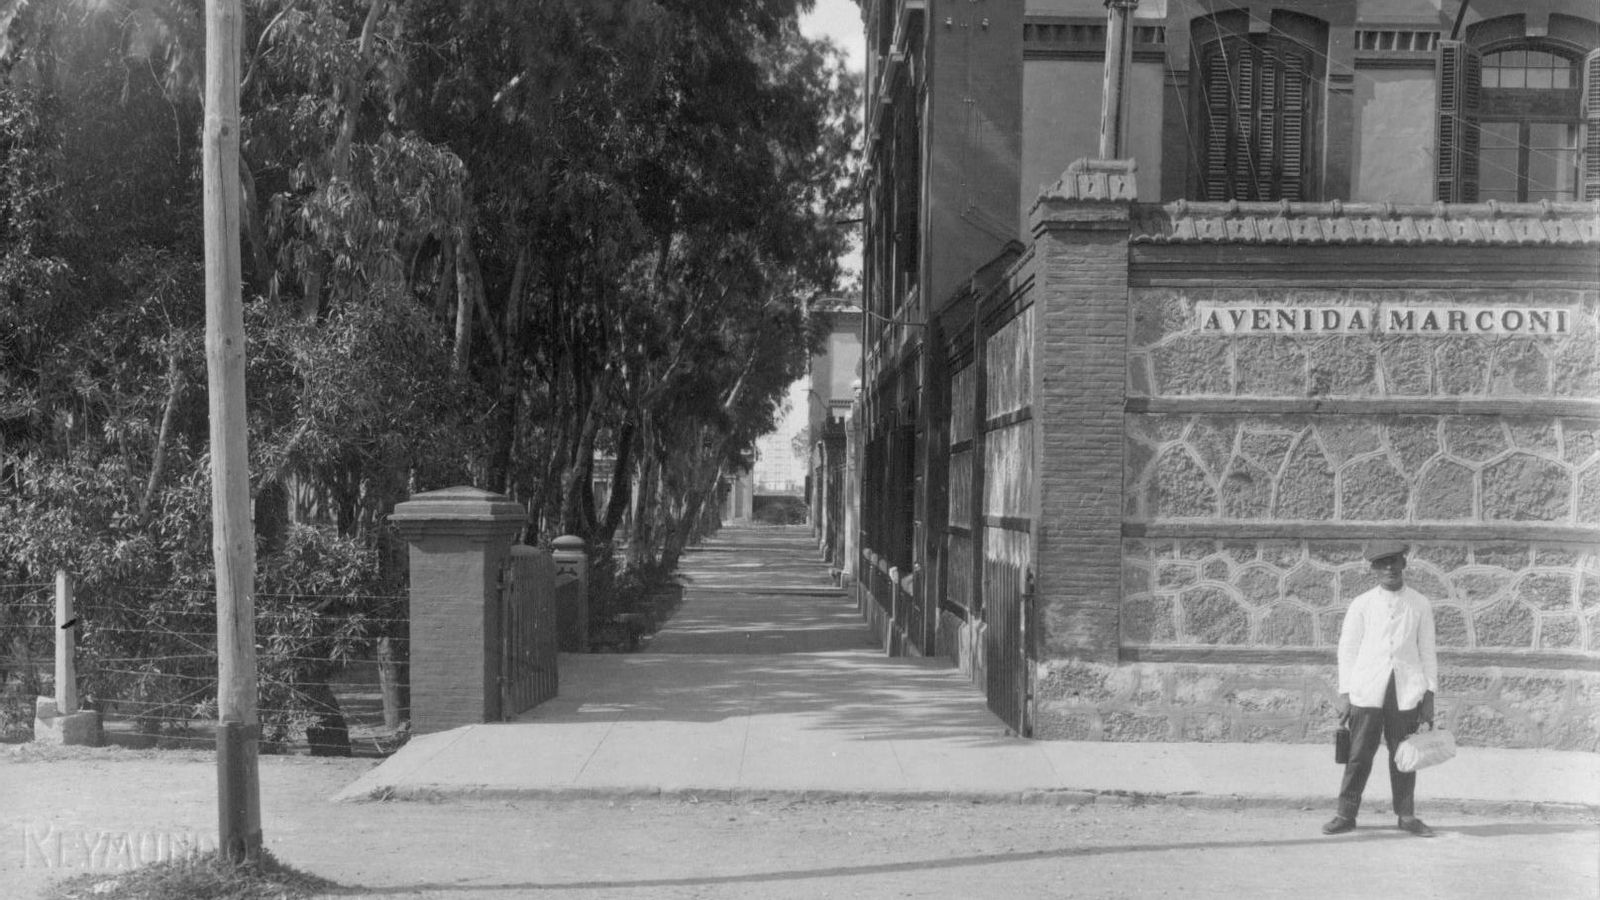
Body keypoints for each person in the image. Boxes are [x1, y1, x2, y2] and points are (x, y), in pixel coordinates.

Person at [1323, 540, 1439, 838]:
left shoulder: (1419, 604)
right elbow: (1347, 650)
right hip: (1367, 690)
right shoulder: (1361, 604)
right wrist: (1346, 694)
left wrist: (1429, 695)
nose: (1389, 568)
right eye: (1382, 563)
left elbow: (1427, 651)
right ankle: (1346, 814)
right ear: (1374, 568)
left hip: (1406, 691)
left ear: (1404, 564)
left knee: (1405, 756)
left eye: (1394, 561)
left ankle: (1406, 815)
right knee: (1358, 755)